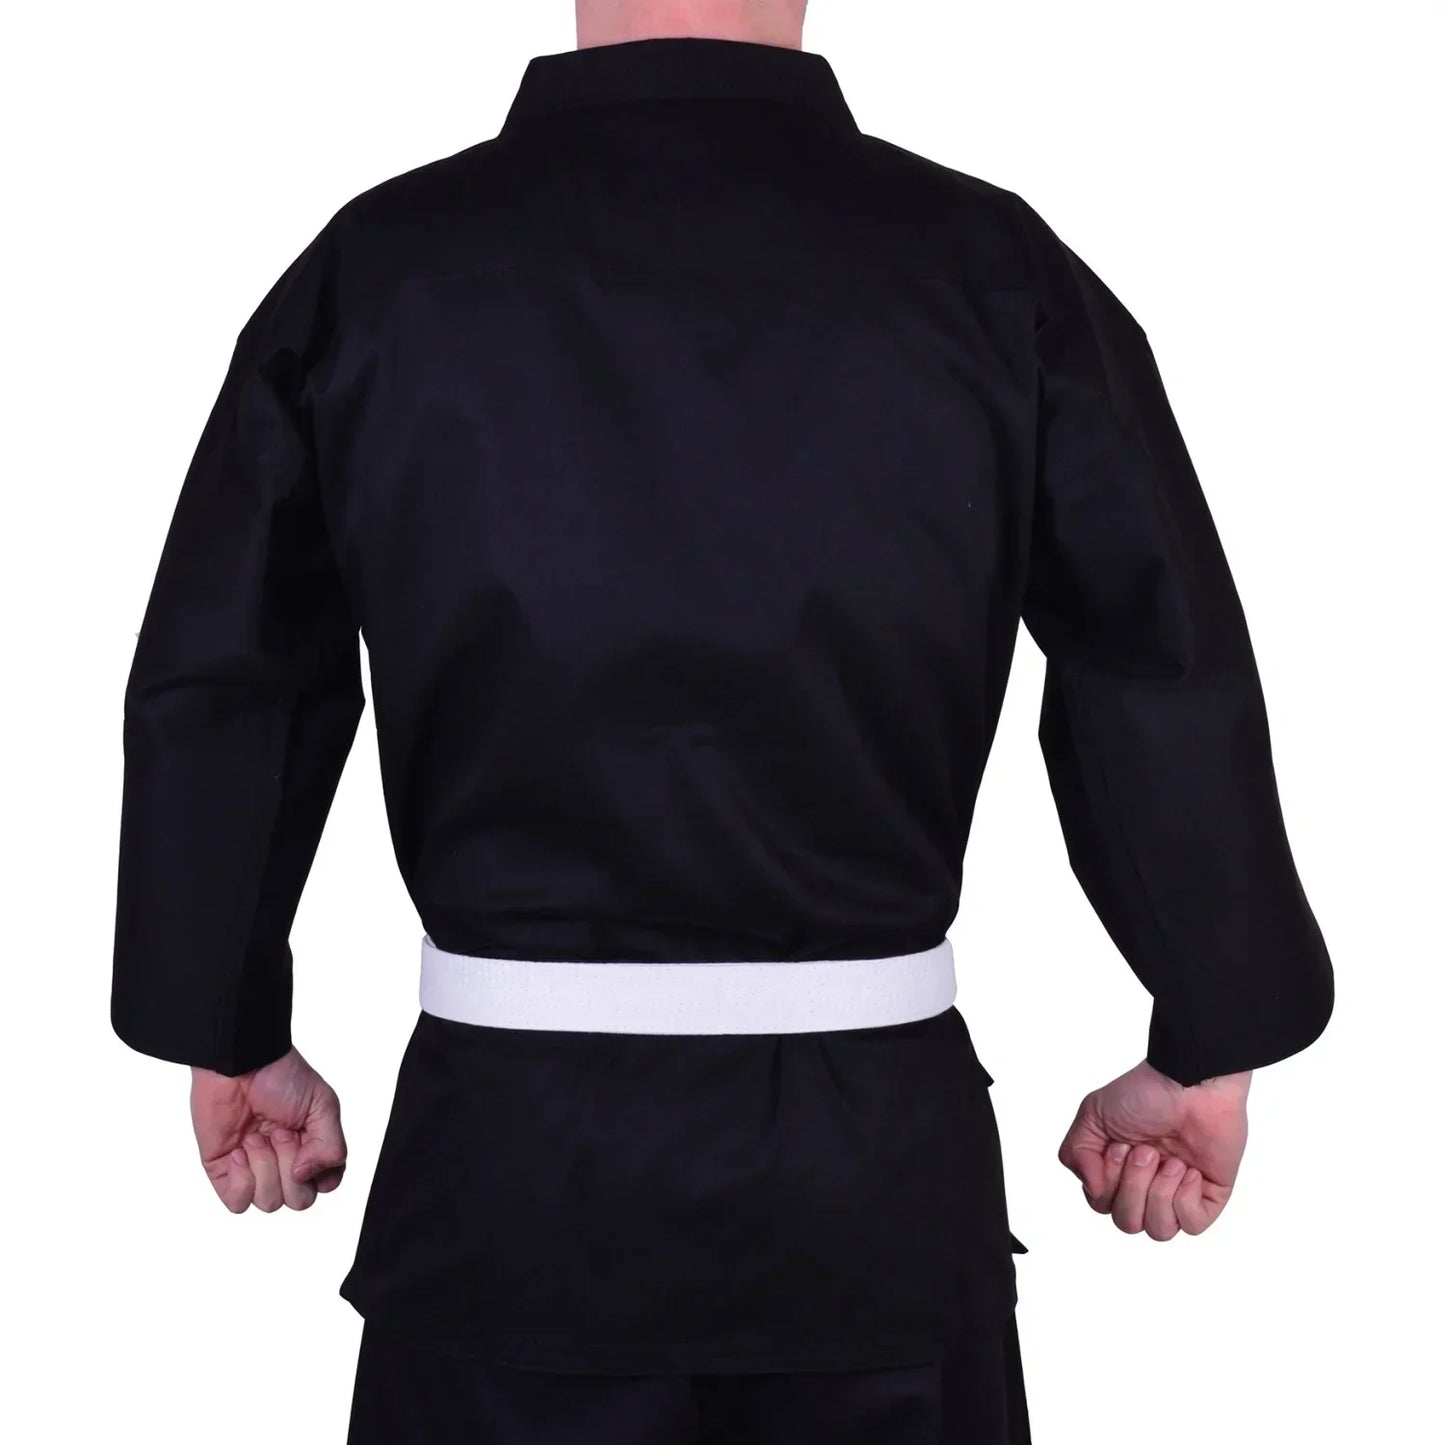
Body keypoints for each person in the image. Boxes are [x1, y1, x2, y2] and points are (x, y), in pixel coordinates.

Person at [110, 2, 1335, 1440]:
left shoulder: (379, 271)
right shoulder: (991, 270)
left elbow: (232, 681)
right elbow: (1158, 662)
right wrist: (1210, 1027)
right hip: (872, 1195)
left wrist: (225, 1020)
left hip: (507, 1186)